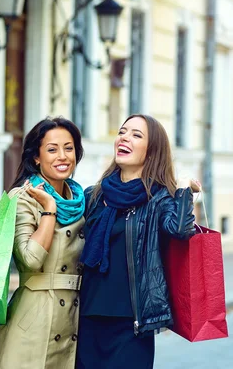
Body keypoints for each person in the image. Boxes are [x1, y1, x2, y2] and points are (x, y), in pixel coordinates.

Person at [75, 114, 200, 369]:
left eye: (136, 135)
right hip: (87, 318)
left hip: (131, 325)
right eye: (123, 132)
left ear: (152, 151)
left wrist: (184, 190)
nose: (125, 138)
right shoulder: (95, 195)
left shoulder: (159, 199)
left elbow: (179, 230)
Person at [0, 117, 86, 369]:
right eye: (52, 149)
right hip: (34, 322)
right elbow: (30, 259)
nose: (62, 156)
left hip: (73, 321)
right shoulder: (22, 198)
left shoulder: (79, 199)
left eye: (69, 147)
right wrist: (49, 209)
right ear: (36, 158)